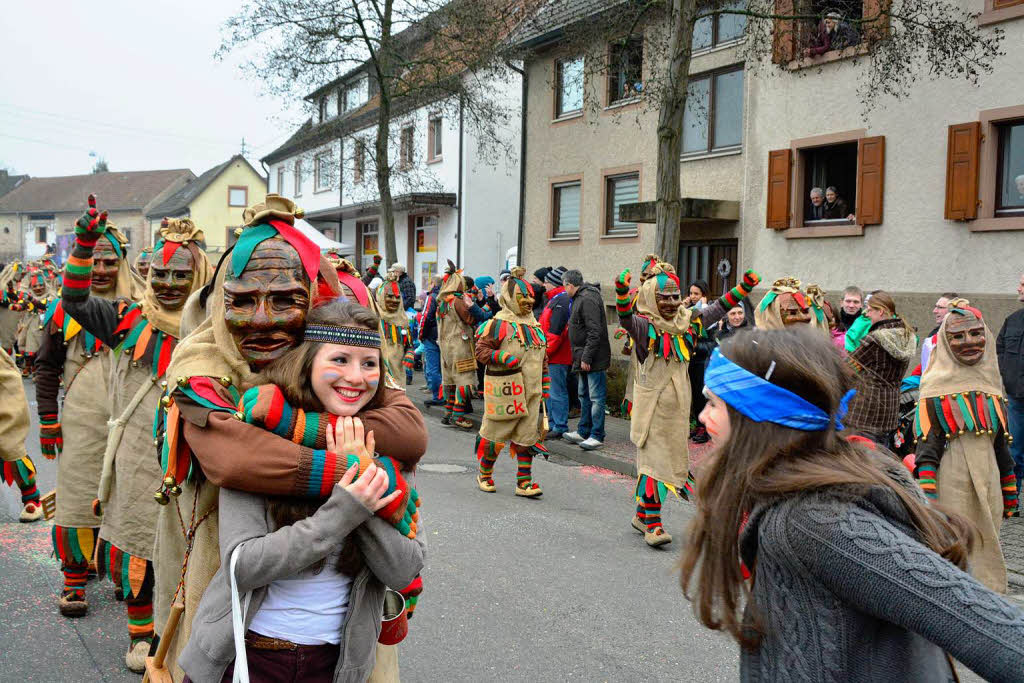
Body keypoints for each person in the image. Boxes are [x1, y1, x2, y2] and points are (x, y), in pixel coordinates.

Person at [151, 195, 427, 678]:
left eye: (284, 300)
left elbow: (410, 431)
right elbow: (235, 460)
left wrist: (303, 426)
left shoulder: (336, 360)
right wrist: (356, 474)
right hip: (233, 606)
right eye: (241, 300)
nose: (261, 320)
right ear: (220, 303)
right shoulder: (202, 365)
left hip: (338, 634)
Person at [681, 327, 1024, 681]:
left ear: (758, 417)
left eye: (713, 403)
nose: (703, 416)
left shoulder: (811, 520)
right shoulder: (789, 492)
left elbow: (987, 626)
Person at [179, 299, 424, 683]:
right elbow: (241, 567)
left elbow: (405, 567)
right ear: (308, 364)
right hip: (245, 657)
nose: (356, 377)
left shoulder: (386, 450)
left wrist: (362, 478)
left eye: (369, 363)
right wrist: (345, 502)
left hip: (335, 666)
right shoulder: (261, 440)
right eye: (339, 360)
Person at [62, 198, 214, 671]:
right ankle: (141, 635)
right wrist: (85, 243)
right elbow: (73, 302)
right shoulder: (126, 320)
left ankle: (192, 635)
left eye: (180, 275)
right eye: (160, 274)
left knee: (195, 546)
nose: (168, 285)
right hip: (138, 458)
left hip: (200, 457)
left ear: (200, 275)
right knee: (137, 540)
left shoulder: (218, 329)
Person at [615, 262, 759, 547]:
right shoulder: (644, 326)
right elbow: (625, 319)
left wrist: (743, 287)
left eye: (674, 296)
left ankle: (642, 514)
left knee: (669, 461)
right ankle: (653, 523)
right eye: (663, 298)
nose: (670, 302)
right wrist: (620, 292)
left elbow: (717, 309)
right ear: (650, 298)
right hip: (652, 409)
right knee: (657, 464)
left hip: (679, 408)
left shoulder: (687, 321)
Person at [35, 225, 138, 616]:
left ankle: (120, 569)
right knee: (79, 493)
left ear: (121, 263)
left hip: (131, 416)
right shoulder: (63, 307)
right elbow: (46, 367)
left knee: (127, 495)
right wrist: (48, 418)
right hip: (82, 418)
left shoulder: (142, 307)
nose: (100, 269)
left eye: (109, 262)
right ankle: (74, 578)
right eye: (93, 261)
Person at [914, 300, 1018, 592]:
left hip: (989, 479)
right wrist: (928, 497)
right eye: (958, 336)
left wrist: (1009, 487)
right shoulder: (934, 386)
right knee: (956, 540)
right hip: (953, 477)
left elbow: (1000, 442)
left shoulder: (991, 382)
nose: (969, 342)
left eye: (975, 334)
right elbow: (927, 448)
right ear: (945, 342)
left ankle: (989, 598)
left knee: (988, 539)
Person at [473, 267, 550, 497]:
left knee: (527, 438)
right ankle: (484, 474)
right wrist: (502, 357)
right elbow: (481, 350)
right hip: (505, 392)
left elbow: (543, 359)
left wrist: (545, 385)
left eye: (530, 298)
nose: (528, 302)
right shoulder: (498, 324)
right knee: (494, 435)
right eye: (522, 297)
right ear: (508, 298)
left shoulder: (536, 326)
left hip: (532, 393)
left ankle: (523, 482)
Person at [843, 291, 917, 448]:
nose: (867, 314)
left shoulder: (875, 340)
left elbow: (847, 368)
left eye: (869, 310)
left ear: (881, 311)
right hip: (890, 408)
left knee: (860, 458)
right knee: (881, 455)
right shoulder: (906, 337)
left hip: (865, 410)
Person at [562, 269, 611, 451]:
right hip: (582, 357)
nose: (564, 289)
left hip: (592, 359)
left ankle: (596, 435)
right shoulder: (580, 297)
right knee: (584, 395)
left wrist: (587, 356)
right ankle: (584, 431)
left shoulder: (587, 299)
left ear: (570, 285)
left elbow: (594, 331)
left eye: (564, 286)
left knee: (596, 397)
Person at [436, 260, 477, 429]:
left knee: (450, 379)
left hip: (446, 347)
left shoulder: (442, 301)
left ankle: (448, 411)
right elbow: (470, 319)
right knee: (464, 379)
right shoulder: (458, 300)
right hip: (460, 345)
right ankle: (459, 416)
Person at [997, 273, 1024, 503]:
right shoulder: (1012, 320)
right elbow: (1000, 349)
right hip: (1016, 398)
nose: (1018, 289)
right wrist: (1006, 376)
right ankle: (1012, 500)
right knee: (1014, 451)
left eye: (1023, 284)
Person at [539, 266, 570, 440]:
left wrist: (545, 352)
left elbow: (556, 332)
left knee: (556, 391)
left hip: (556, 355)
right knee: (550, 391)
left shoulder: (561, 300)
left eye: (547, 282)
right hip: (552, 354)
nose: (544, 285)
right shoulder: (556, 299)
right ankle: (552, 423)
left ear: (555, 283)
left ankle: (559, 425)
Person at [375, 272, 414, 385]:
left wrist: (410, 353)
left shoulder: (403, 319)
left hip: (398, 373)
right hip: (379, 371)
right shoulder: (374, 317)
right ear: (382, 296)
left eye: (397, 297)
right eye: (390, 296)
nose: (395, 300)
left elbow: (409, 344)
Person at [754, 277, 829, 337]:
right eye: (792, 312)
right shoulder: (759, 350)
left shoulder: (815, 346)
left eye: (805, 311)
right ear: (773, 316)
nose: (803, 318)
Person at [687, 279, 713, 443]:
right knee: (694, 395)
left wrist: (702, 307)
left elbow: (710, 338)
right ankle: (697, 423)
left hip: (703, 359)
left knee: (702, 395)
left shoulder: (709, 312)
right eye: (691, 293)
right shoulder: (688, 311)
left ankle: (705, 427)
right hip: (691, 360)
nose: (693, 297)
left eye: (696, 293)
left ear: (704, 295)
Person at [418, 275, 444, 406]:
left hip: (432, 337)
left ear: (433, 283)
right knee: (444, 368)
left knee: (433, 368)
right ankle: (448, 396)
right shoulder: (446, 295)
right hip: (445, 337)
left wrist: (421, 335)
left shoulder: (431, 297)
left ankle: (438, 397)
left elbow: (425, 317)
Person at [920, 292, 958, 372]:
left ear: (952, 311)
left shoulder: (960, 335)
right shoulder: (934, 333)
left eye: (940, 307)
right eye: (935, 307)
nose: (935, 311)